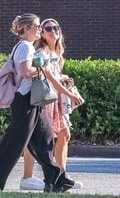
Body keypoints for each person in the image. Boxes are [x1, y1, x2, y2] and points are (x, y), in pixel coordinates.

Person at [0, 13, 75, 192]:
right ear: (26, 28)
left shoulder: (27, 46)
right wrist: (42, 67)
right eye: (37, 26)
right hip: (25, 100)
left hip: (33, 100)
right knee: (14, 142)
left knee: (45, 141)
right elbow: (26, 71)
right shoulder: (25, 47)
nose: (40, 29)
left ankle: (57, 180)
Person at [20, 18, 84, 190]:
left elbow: (55, 75)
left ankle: (61, 175)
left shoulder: (56, 52)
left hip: (55, 100)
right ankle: (27, 177)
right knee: (36, 140)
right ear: (42, 32)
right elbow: (48, 77)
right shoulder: (41, 51)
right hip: (45, 101)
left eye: (56, 27)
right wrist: (69, 93)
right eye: (48, 28)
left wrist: (64, 79)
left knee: (64, 135)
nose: (53, 30)